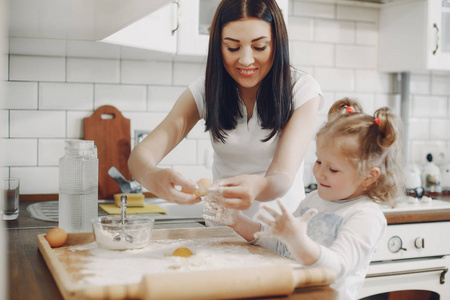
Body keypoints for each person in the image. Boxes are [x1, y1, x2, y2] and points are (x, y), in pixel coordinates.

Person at [128, 0, 324, 218]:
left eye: (259, 47)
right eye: (232, 47)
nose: (246, 60)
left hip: (281, 237)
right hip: (223, 231)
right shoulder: (206, 90)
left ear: (277, 44)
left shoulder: (302, 89)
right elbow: (140, 155)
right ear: (218, 45)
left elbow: (281, 177)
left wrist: (258, 186)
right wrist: (151, 175)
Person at [203, 98, 405, 300]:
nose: (319, 173)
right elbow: (279, 243)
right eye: (319, 161)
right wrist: (238, 221)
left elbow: (337, 268)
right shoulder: (313, 199)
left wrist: (298, 241)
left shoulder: (365, 216)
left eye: (333, 169)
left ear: (369, 177)